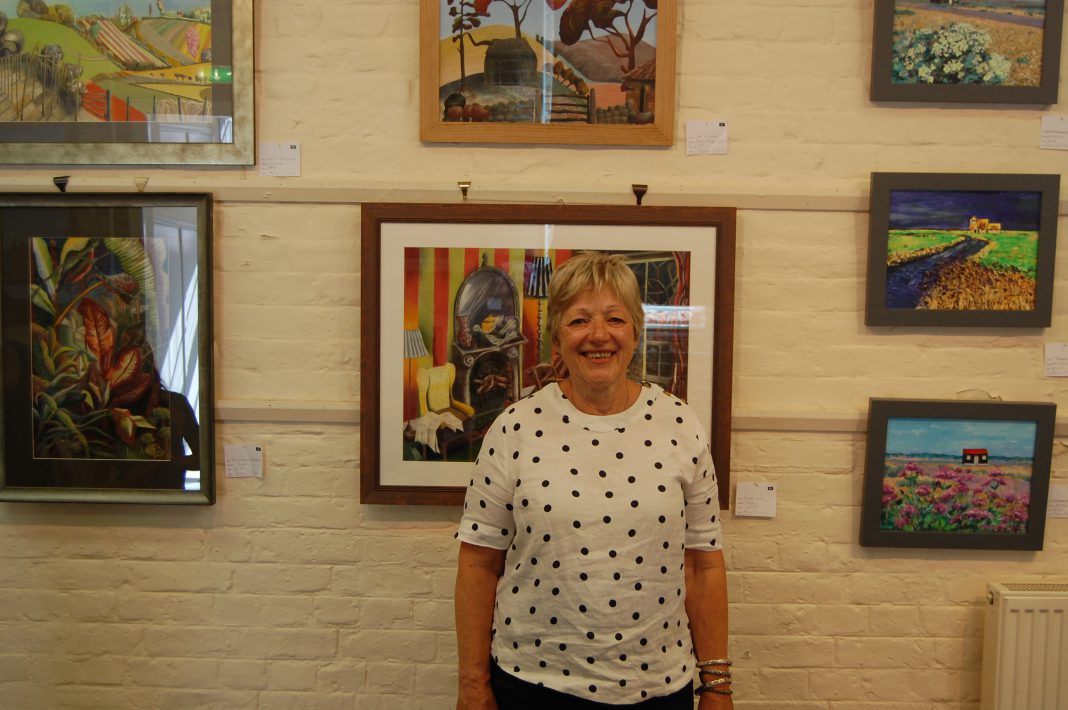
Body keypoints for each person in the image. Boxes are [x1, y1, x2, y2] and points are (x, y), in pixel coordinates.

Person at [454, 252, 732, 709]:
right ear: (557, 336)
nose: (598, 335)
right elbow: (478, 563)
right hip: (533, 686)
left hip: (660, 687)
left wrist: (717, 683)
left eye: (615, 319)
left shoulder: (680, 424)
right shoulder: (515, 427)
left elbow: (705, 565)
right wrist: (471, 684)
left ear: (635, 332)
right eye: (579, 320)